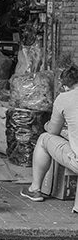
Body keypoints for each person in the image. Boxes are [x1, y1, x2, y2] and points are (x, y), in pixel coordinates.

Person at [20, 64, 78, 202]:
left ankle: (35, 189)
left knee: (44, 138)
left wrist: (46, 125)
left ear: (65, 86)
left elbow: (53, 130)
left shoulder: (64, 98)